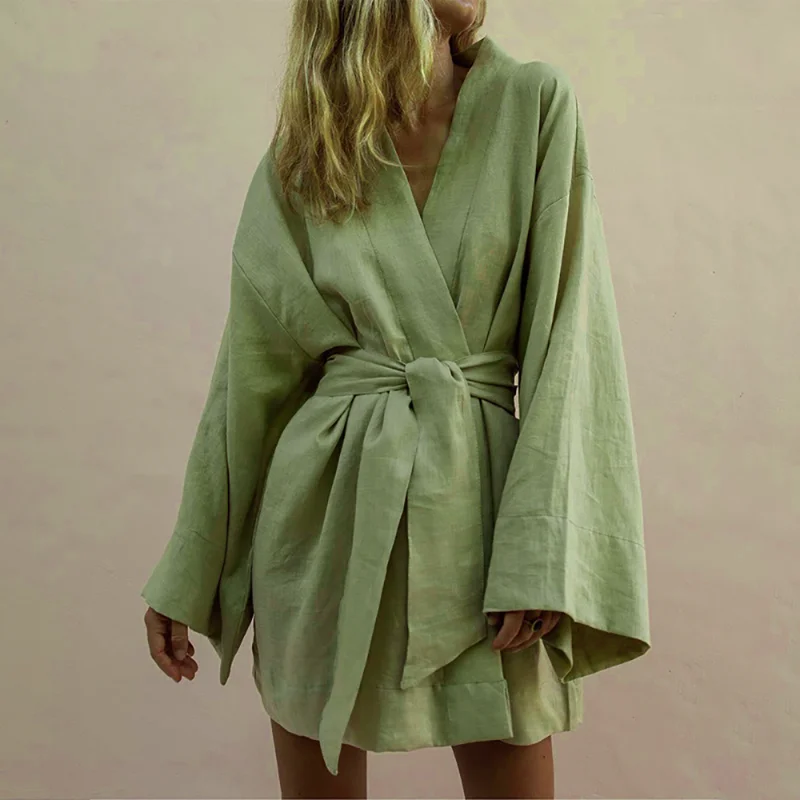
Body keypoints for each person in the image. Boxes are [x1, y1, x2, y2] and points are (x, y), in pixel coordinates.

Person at [141, 1, 651, 797]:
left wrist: (541, 552)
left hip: (484, 520)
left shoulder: (532, 105)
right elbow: (248, 379)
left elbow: (572, 341)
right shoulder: (307, 152)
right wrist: (188, 568)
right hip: (322, 518)